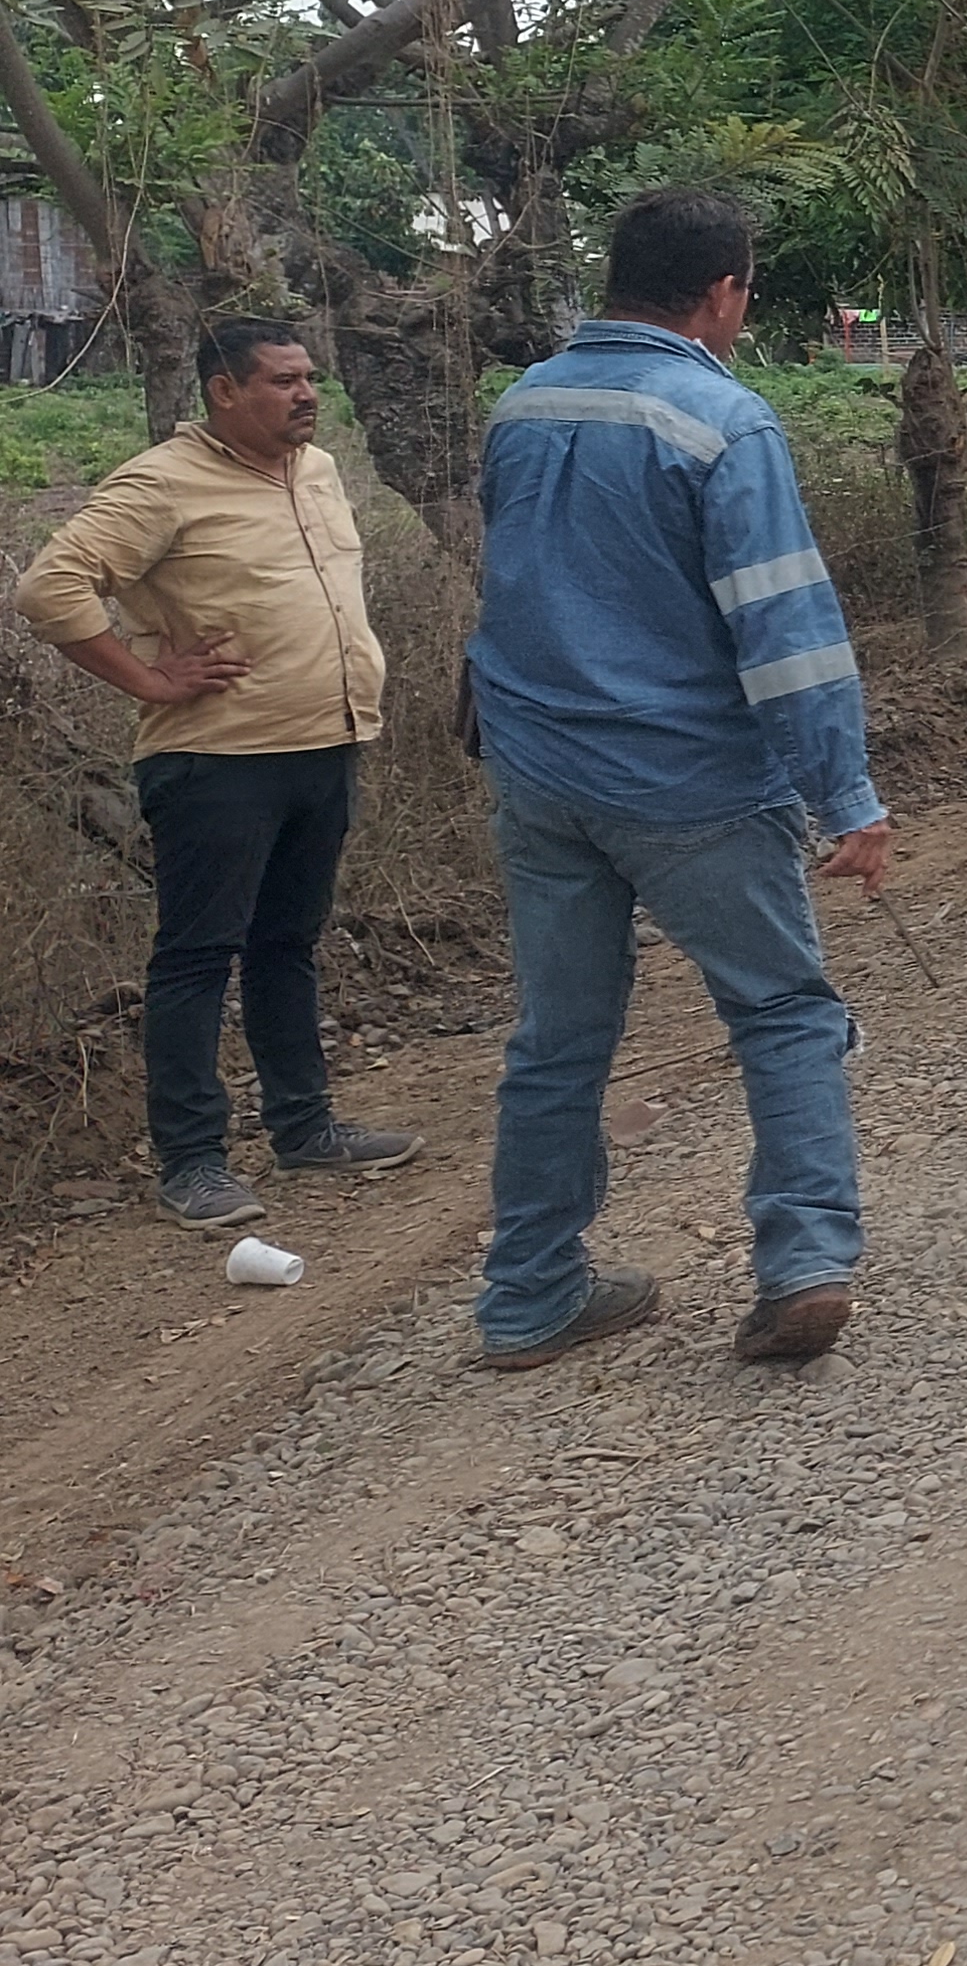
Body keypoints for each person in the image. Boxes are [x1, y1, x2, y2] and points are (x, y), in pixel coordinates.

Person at [466, 190, 894, 1371]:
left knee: (558, 1041)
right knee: (785, 1014)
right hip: (690, 781)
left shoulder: (523, 404)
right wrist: (847, 799)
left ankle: (527, 1299)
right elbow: (787, 636)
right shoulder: (723, 421)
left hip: (539, 772)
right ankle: (804, 1263)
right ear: (721, 293)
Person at [14, 317, 422, 1228]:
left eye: (308, 378)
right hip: (217, 760)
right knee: (197, 957)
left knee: (288, 943)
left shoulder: (316, 470)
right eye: (282, 380)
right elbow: (50, 588)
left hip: (324, 744)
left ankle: (304, 1128)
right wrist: (149, 678)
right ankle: (192, 1163)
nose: (306, 394)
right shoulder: (163, 481)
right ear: (223, 391)